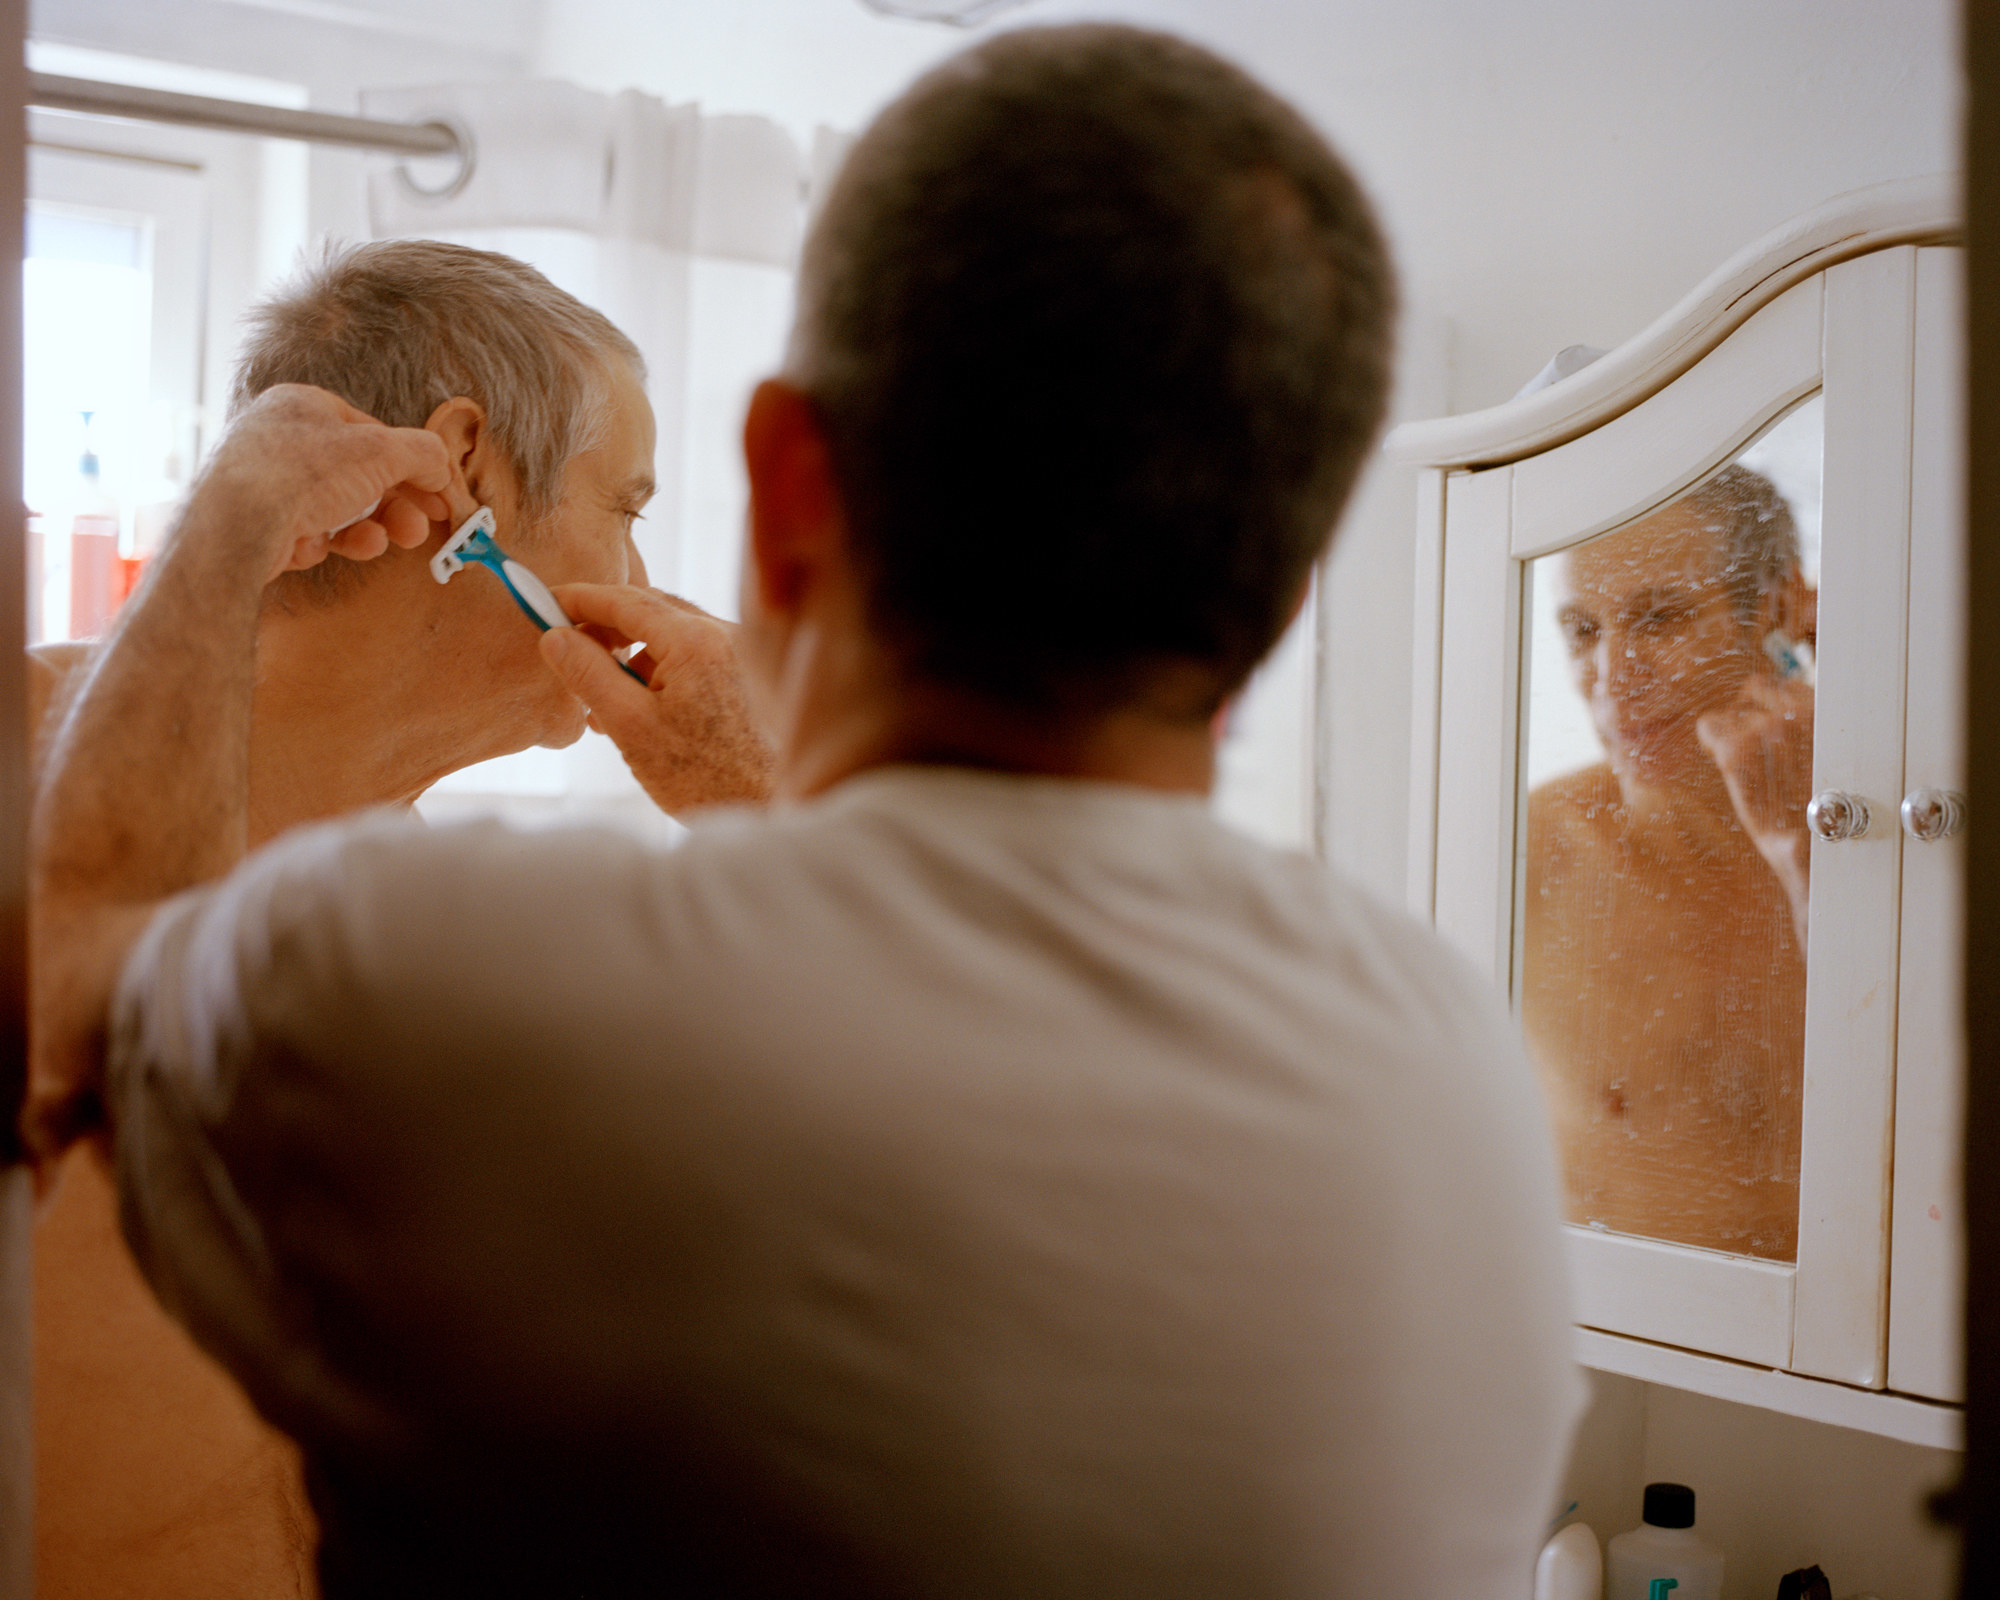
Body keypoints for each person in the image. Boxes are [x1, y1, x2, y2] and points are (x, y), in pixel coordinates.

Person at [28, 26, 1582, 1598]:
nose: (642, 577)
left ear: (787, 493)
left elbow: (84, 971)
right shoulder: (1457, 1064)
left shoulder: (434, 967)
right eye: (629, 506)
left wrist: (227, 522)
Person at [29, 239, 769, 1600]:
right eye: (626, 503)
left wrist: (755, 803)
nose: (646, 571)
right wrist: (229, 520)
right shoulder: (23, 747)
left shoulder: (422, 918)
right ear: (470, 466)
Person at [1523, 464, 1816, 1260]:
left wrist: (1803, 855)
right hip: (1631, 1368)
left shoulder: (1894, 832)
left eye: (1660, 617)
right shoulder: (1532, 852)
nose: (1612, 680)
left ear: (1783, 607)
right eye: (1582, 630)